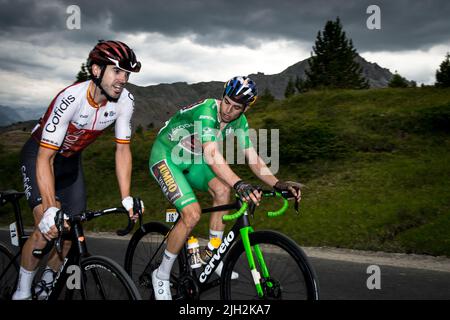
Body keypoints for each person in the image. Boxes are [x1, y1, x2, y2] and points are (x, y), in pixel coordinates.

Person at [149, 76, 303, 300]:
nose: (228, 110)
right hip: (166, 156)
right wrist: (240, 182)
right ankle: (161, 275)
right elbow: (212, 155)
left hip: (193, 159)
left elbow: (253, 158)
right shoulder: (207, 111)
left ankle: (213, 253)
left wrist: (277, 183)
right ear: (223, 96)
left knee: (223, 190)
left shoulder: (240, 122)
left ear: (245, 108)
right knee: (191, 214)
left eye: (236, 107)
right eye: (227, 102)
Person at [13, 40, 143, 300]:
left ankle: (49, 280)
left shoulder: (124, 101)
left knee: (71, 230)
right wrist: (50, 209)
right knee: (46, 230)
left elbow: (122, 150)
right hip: (40, 156)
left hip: (71, 162)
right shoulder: (71, 98)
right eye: (117, 71)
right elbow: (45, 158)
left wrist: (126, 196)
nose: (123, 79)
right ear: (96, 70)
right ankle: (22, 292)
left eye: (127, 74)